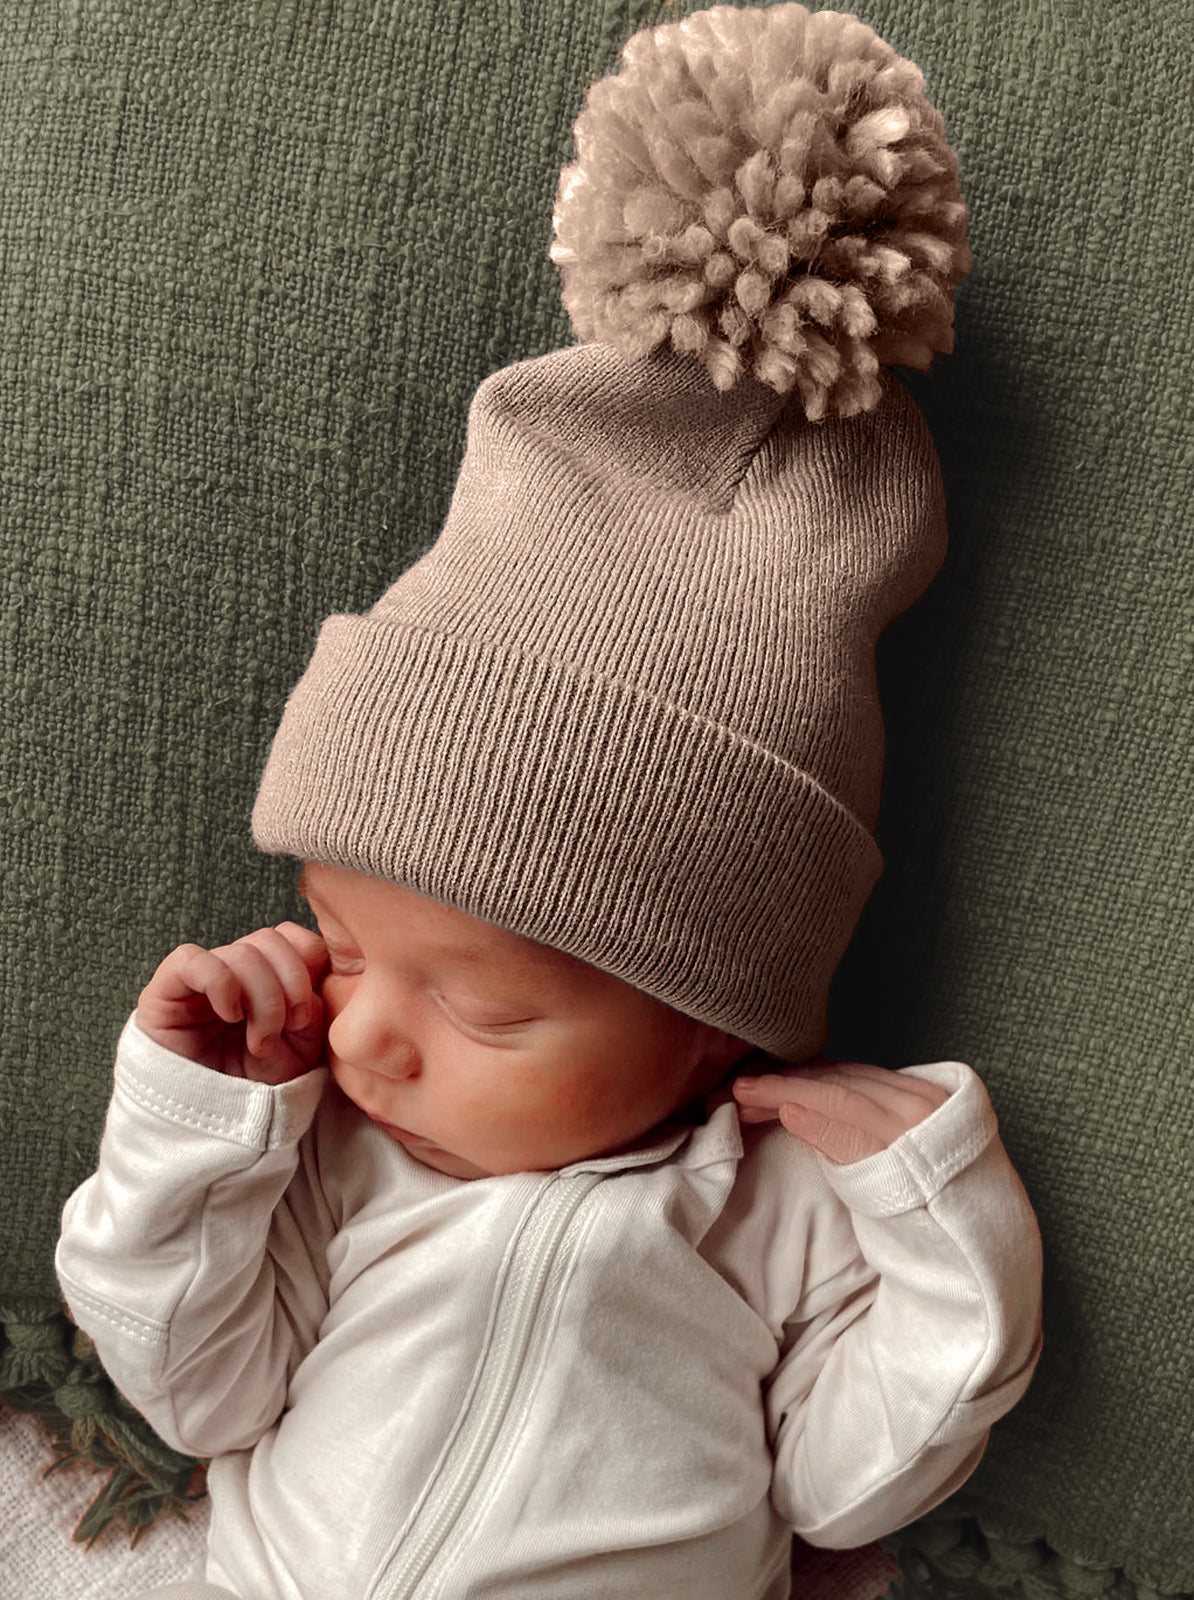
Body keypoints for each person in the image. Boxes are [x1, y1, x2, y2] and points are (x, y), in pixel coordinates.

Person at [55, 5, 1043, 1598]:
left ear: (713, 1020)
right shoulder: (320, 1155)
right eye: (338, 939)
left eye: (486, 1012)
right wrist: (194, 1129)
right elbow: (195, 1389)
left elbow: (851, 1488)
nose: (364, 1032)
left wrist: (935, 1222)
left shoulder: (764, 1213)